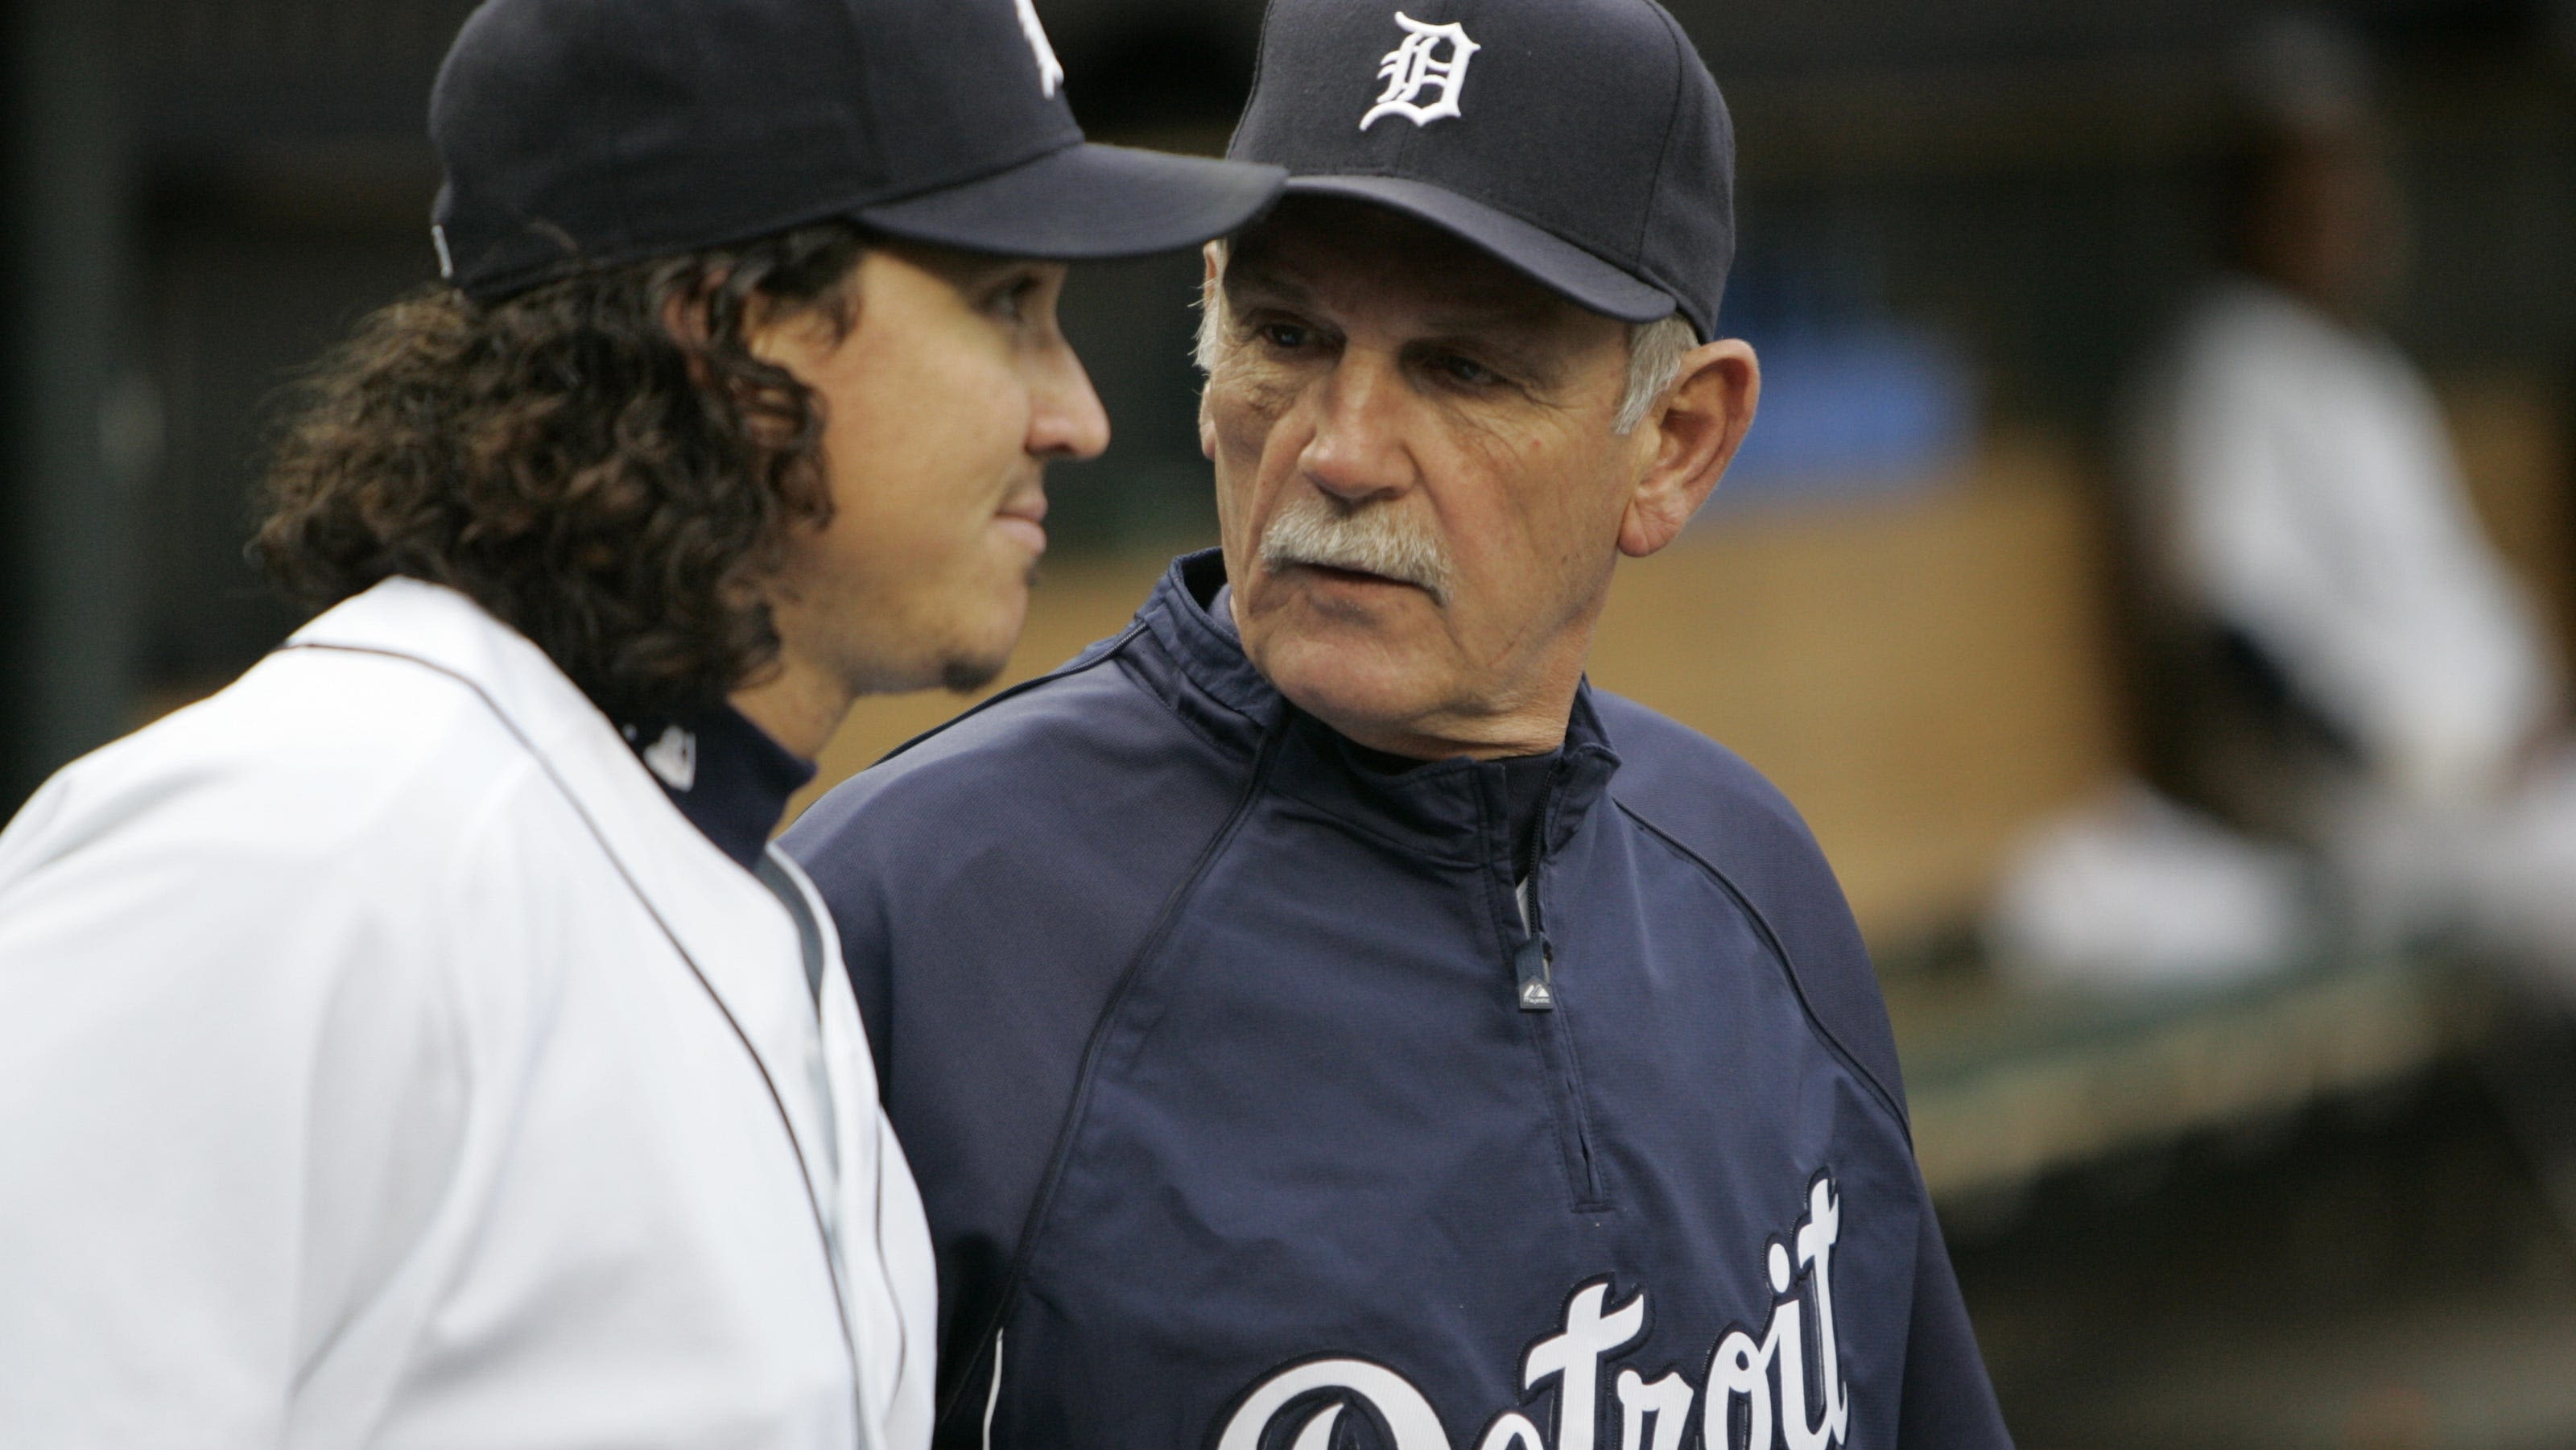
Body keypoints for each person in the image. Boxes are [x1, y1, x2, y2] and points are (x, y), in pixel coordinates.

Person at [0, 0, 1281, 1444]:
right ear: (727, 333)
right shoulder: (288, 857)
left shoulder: (741, 889)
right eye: (1006, 307)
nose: (1078, 414)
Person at [784, 0, 2012, 1444]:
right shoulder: (915, 922)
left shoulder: (1755, 879)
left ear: (1673, 445)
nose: (1342, 448)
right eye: (1286, 333)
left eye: (1464, 368)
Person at [2124, 16, 2576, 979]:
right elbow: (2228, 627)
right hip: (2356, 818)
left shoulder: (2365, 374)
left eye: (2349, 184)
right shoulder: (2218, 368)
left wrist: (2529, 712)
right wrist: (2398, 763)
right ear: (2247, 205)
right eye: (2304, 190)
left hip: (2494, 783)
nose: (2339, 214)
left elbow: (2461, 584)